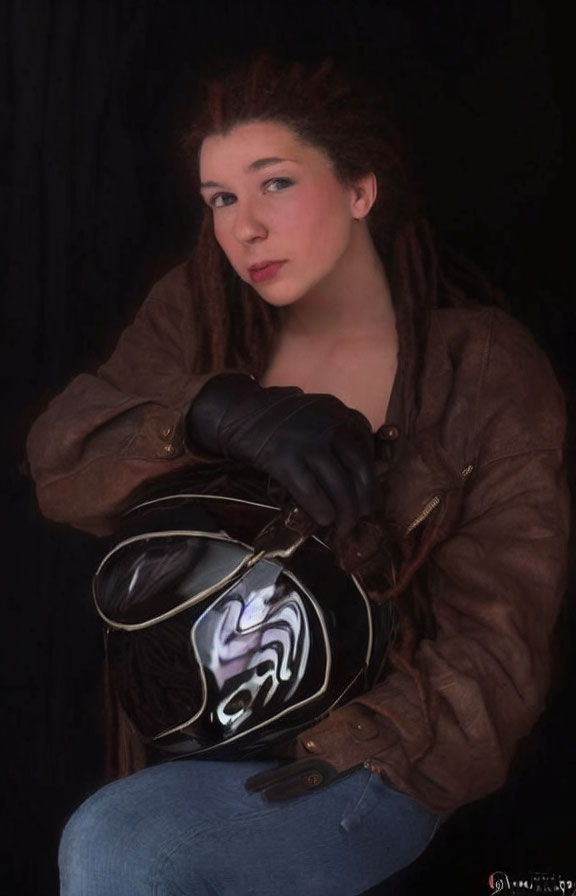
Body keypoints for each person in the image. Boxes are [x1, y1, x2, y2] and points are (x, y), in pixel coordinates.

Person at [26, 55, 570, 895]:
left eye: (274, 183)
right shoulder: (198, 314)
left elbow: (497, 644)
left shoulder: (480, 368)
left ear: (360, 189)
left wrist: (339, 747)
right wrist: (208, 412)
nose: (243, 227)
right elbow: (62, 463)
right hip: (186, 746)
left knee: (122, 845)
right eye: (220, 198)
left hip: (373, 765)